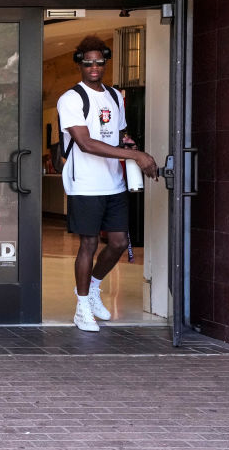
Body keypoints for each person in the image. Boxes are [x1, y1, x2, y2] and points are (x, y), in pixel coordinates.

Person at [57, 35, 158, 332]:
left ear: (105, 62)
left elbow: (118, 131)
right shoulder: (71, 98)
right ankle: (81, 306)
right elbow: (86, 143)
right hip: (85, 185)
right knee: (88, 243)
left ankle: (94, 289)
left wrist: (128, 144)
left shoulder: (115, 96)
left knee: (118, 243)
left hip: (113, 183)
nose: (94, 67)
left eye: (99, 62)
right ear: (79, 64)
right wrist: (138, 155)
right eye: (87, 62)